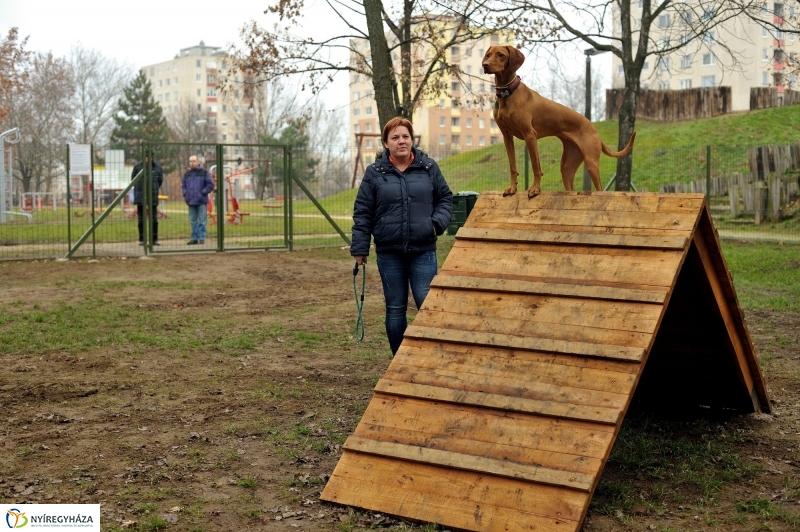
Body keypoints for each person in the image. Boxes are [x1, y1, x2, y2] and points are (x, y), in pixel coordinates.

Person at [350, 117, 453, 356]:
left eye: (405, 136)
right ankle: (399, 359)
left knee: (427, 304)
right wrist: (360, 248)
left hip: (423, 249)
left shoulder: (429, 168)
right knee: (395, 308)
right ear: (386, 143)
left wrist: (435, 225)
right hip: (389, 252)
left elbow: (445, 198)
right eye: (395, 137)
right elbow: (363, 211)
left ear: (412, 139)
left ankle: (430, 355)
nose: (401, 141)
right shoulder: (374, 173)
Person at [131, 150, 164, 246]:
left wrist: (154, 187)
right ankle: (142, 239)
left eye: (150, 157)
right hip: (140, 196)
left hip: (152, 196)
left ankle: (154, 239)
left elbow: (160, 180)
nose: (148, 159)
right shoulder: (137, 167)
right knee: (141, 219)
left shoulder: (157, 167)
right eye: (146, 157)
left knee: (154, 219)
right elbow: (133, 179)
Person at [181, 155, 215, 245]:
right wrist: (186, 194)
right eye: (190, 161)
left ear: (198, 162)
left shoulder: (204, 172)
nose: (192, 163)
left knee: (202, 220)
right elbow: (183, 185)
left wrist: (203, 192)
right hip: (191, 200)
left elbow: (211, 184)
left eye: (194, 161)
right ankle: (194, 238)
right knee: (193, 221)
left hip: (201, 200)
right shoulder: (187, 174)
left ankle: (201, 237)